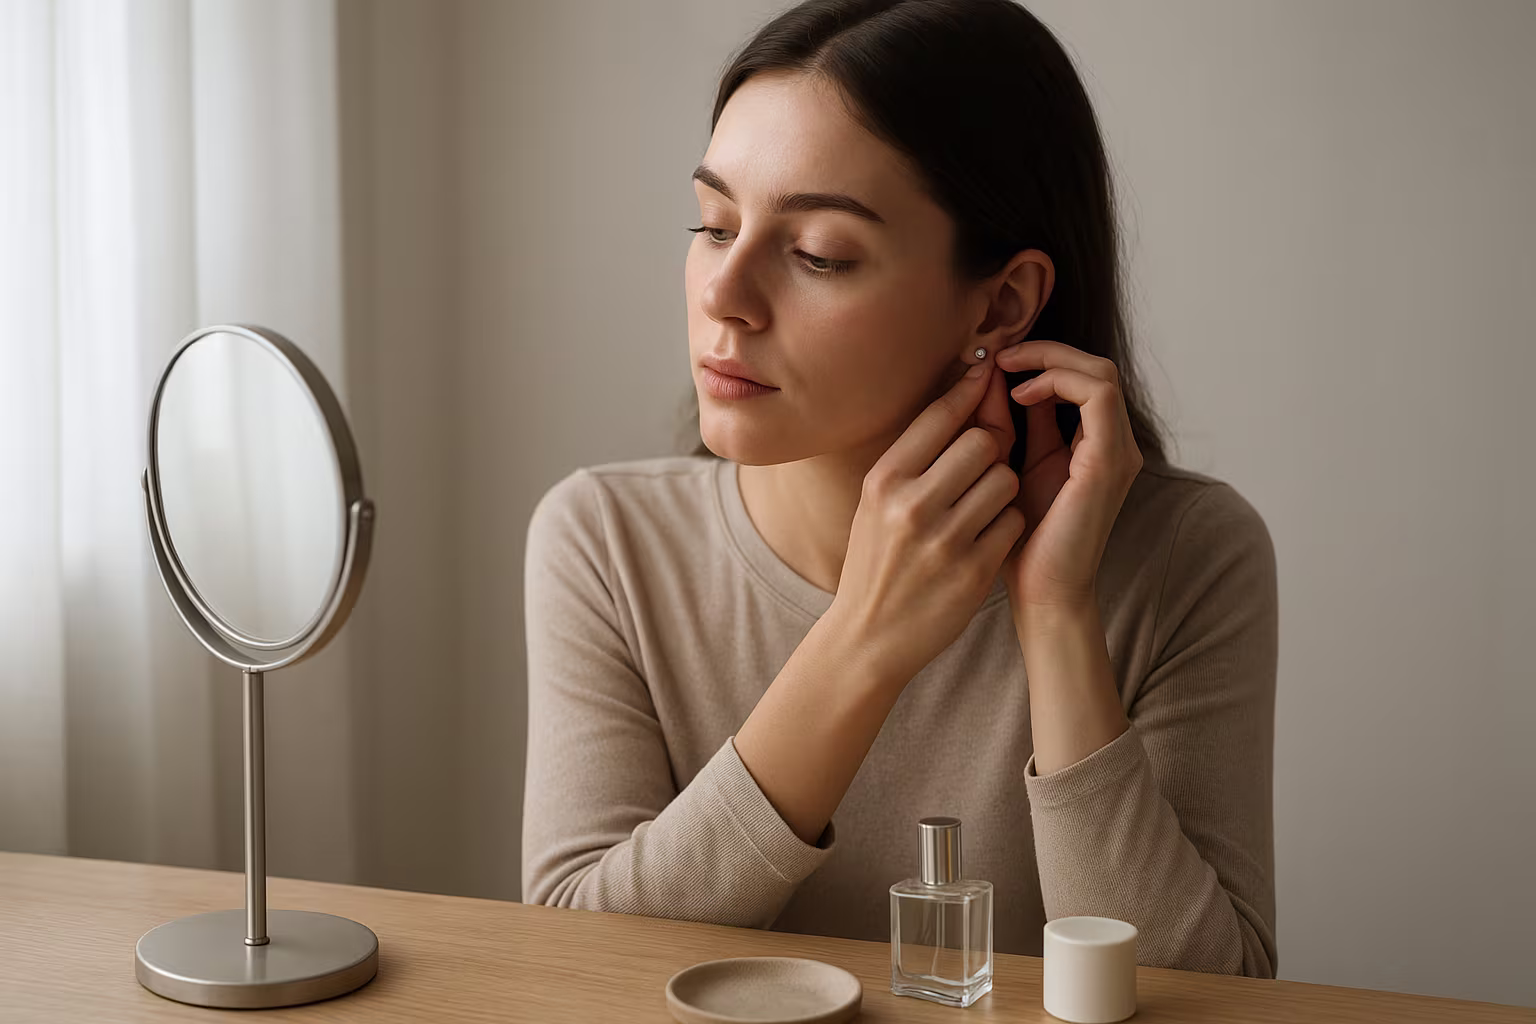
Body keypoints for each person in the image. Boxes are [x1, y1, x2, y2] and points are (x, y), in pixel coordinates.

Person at [520, 0, 1277, 979]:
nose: (724, 293)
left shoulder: (1190, 558)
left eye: (816, 253)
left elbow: (1213, 995)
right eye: (713, 224)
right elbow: (569, 967)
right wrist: (861, 643)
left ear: (1003, 303)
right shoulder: (605, 540)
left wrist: (1055, 615)